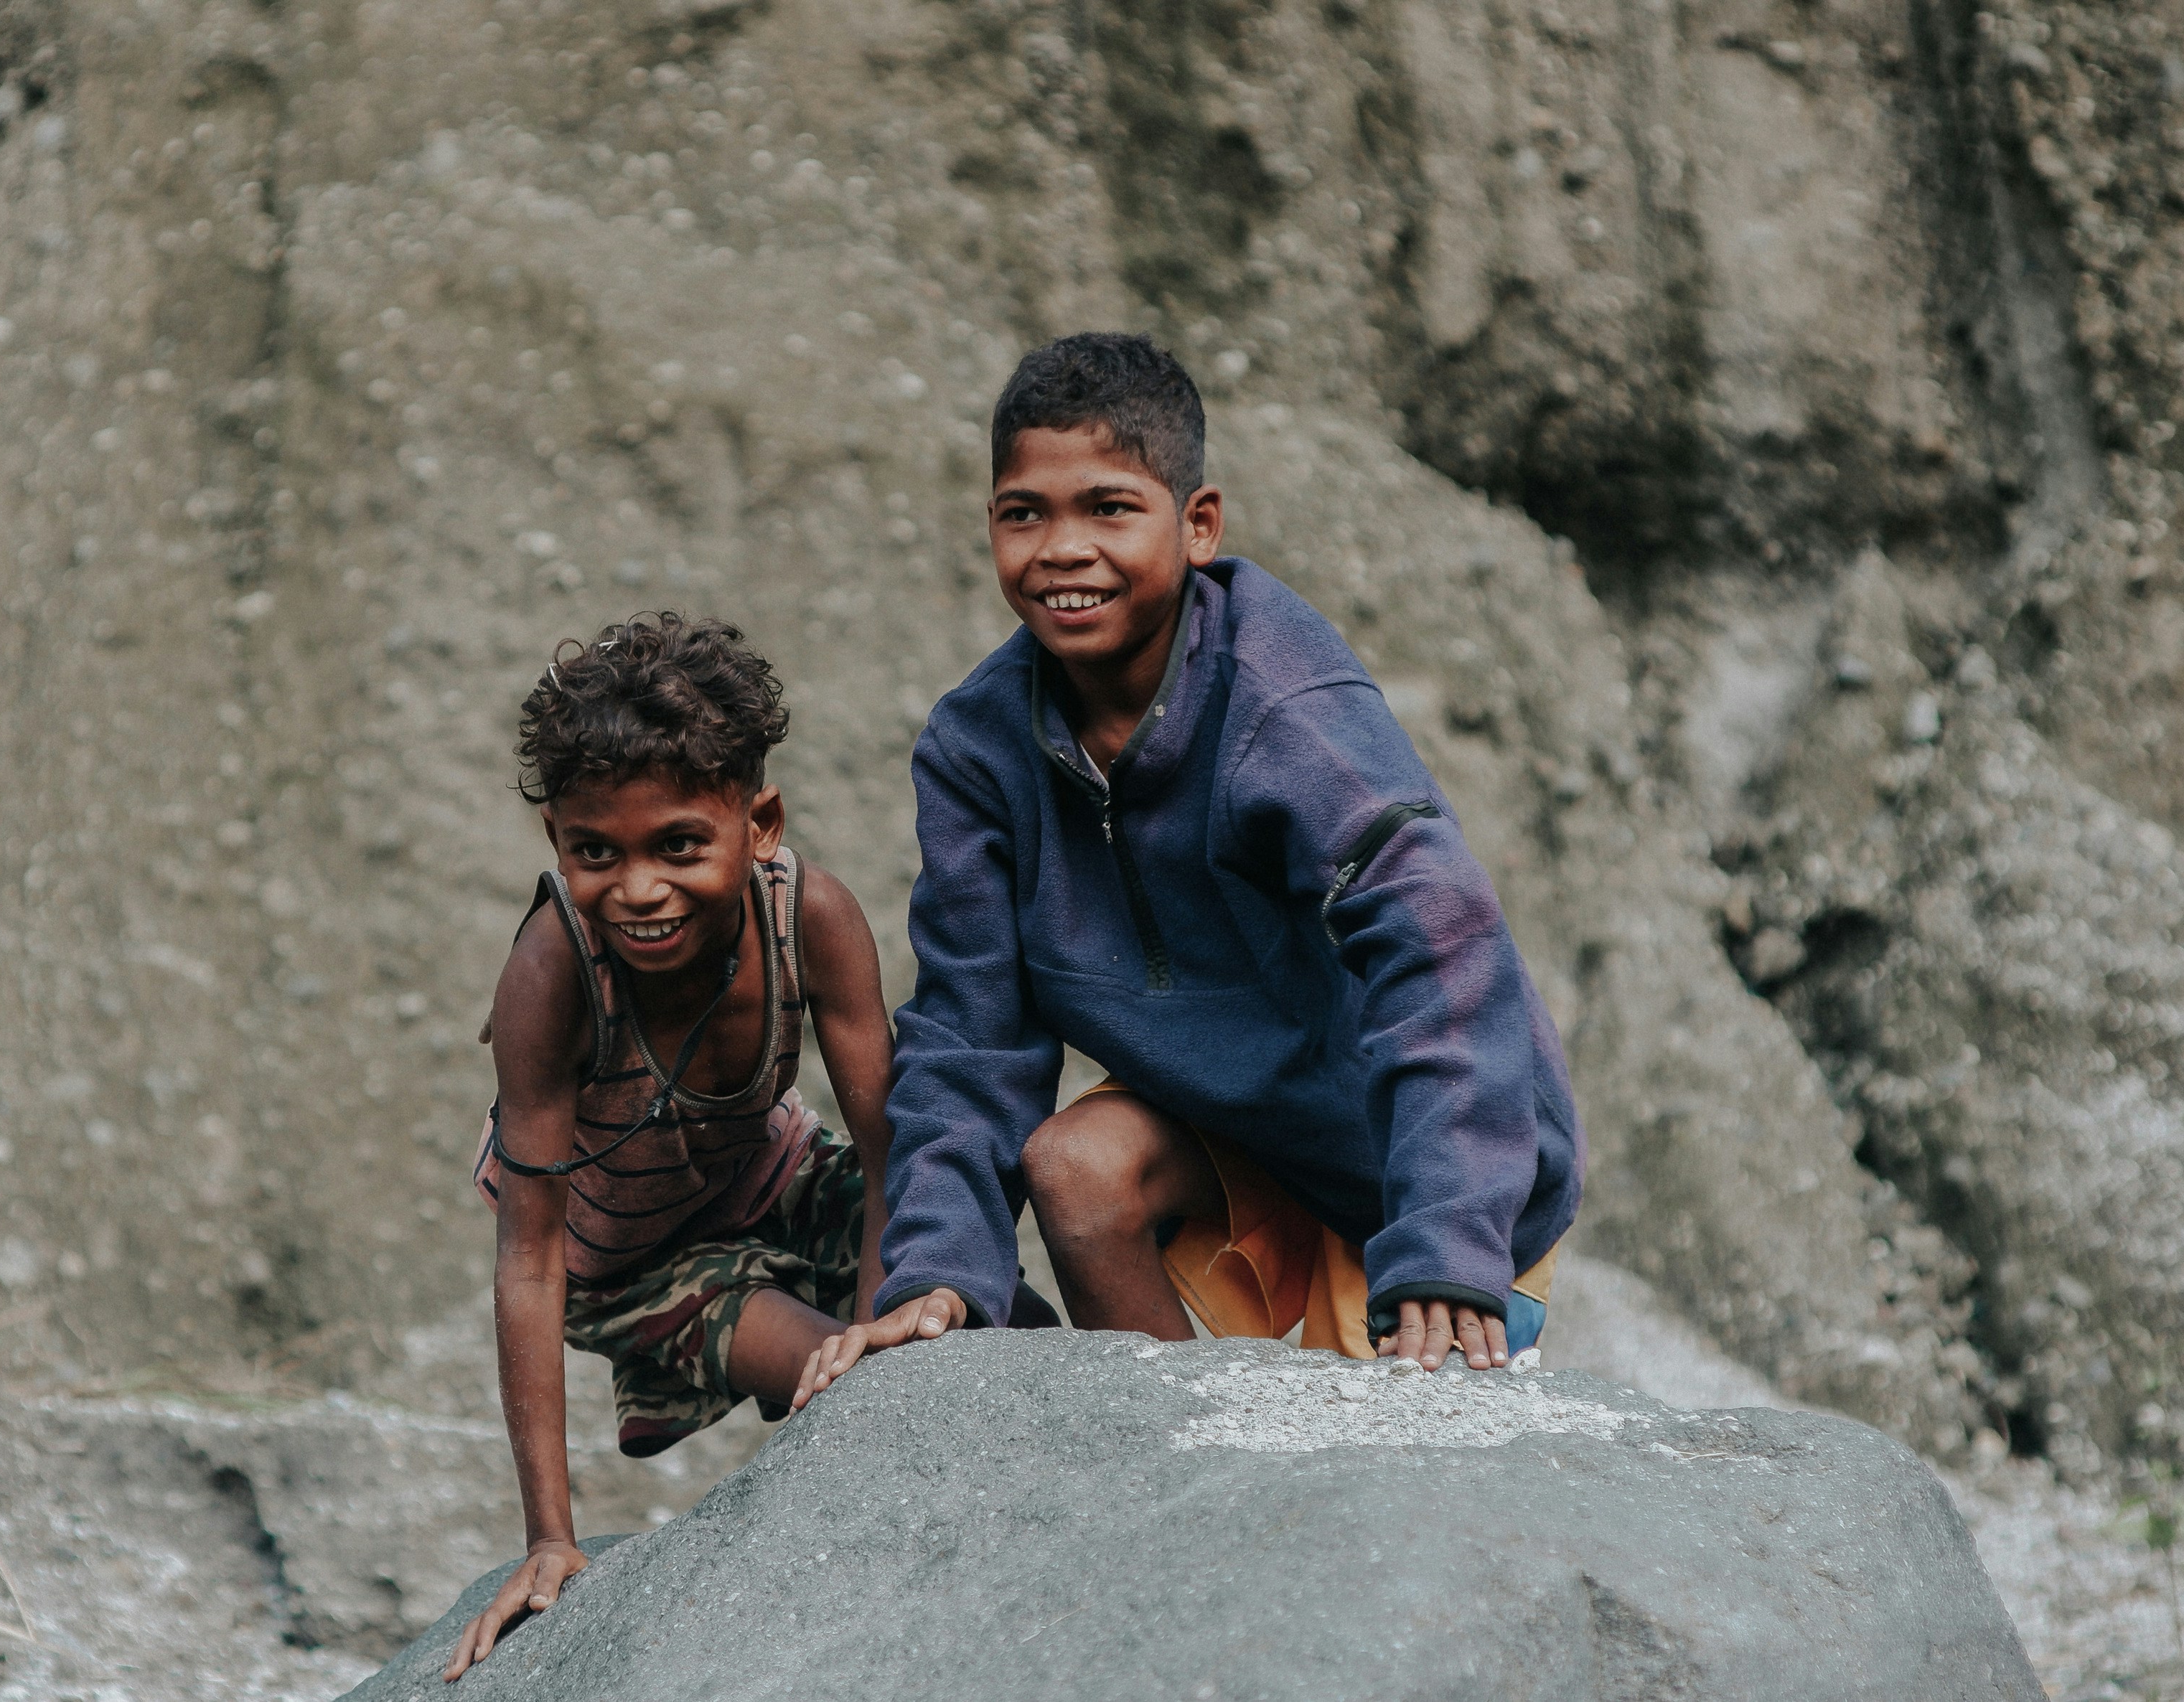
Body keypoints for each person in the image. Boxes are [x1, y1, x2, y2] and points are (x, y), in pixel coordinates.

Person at [795, 332, 1582, 1405]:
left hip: (1422, 1148)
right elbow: (973, 1031)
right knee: (1076, 1168)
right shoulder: (978, 750)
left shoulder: (1280, 704)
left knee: (1401, 1466)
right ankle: (1178, 1449)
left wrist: (1449, 1238)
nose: (1063, 549)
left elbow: (1439, 942)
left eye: (1109, 509)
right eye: (1025, 514)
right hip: (1236, 1131)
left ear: (1198, 525)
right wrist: (940, 1269)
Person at [441, 613, 911, 1680]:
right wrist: (549, 1539)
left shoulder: (812, 918)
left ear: (760, 824)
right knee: (830, 1378)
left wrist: (884, 1325)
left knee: (961, 1323)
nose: (638, 890)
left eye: (679, 846)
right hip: (634, 1265)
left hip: (776, 1178)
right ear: (557, 841)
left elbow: (893, 1153)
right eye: (594, 852)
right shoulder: (553, 975)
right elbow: (531, 1257)